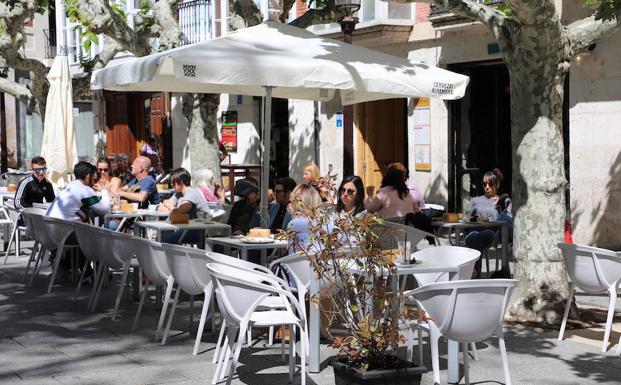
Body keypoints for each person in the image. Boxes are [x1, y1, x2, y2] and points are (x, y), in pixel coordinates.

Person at [465, 168, 513, 278]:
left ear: (497, 184)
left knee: (484, 234)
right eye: (484, 184)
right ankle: (473, 273)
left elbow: (508, 223)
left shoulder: (504, 201)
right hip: (474, 231)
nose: (487, 187)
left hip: (493, 234)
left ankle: (473, 274)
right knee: (475, 237)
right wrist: (475, 219)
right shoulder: (475, 201)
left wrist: (500, 201)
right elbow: (466, 219)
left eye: (490, 184)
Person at [158, 168, 212, 244]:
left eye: (173, 182)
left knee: (166, 240)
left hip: (197, 229)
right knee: (161, 235)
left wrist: (171, 208)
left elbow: (179, 212)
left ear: (182, 182)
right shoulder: (178, 193)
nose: (171, 185)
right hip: (183, 226)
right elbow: (162, 206)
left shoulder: (191, 193)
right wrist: (172, 209)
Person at [47, 161, 111, 222]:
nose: (94, 179)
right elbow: (105, 211)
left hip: (47, 224)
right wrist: (105, 190)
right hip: (65, 229)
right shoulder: (85, 189)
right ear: (88, 176)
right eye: (93, 176)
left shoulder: (69, 186)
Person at [287, 184, 333, 252]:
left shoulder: (294, 223)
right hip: (324, 261)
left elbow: (291, 252)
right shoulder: (328, 221)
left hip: (300, 262)